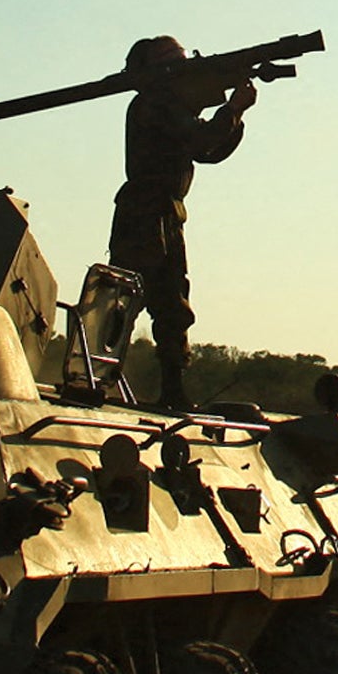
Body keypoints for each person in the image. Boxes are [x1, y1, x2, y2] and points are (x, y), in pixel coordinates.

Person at [107, 35, 257, 409]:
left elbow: (210, 151)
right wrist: (232, 108)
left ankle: (172, 389)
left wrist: (235, 113)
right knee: (123, 302)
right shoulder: (154, 104)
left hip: (166, 215)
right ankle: (96, 375)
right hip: (144, 214)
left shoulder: (167, 104)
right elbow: (201, 141)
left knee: (172, 306)